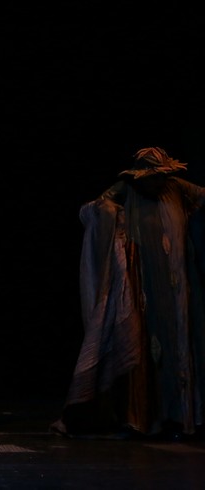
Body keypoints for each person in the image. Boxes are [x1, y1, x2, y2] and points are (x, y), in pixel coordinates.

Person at [52, 147, 205, 439]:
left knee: (179, 346)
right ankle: (143, 417)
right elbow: (93, 209)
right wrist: (109, 214)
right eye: (154, 177)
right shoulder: (127, 188)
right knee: (146, 347)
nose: (159, 182)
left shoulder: (176, 187)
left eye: (162, 177)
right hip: (141, 282)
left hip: (177, 285)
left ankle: (180, 417)